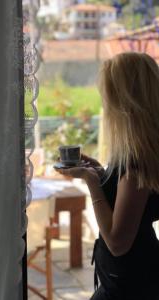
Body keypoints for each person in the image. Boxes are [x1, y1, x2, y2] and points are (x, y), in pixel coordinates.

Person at [55, 52, 159, 300]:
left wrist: (92, 183)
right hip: (132, 278)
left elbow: (117, 242)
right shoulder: (142, 153)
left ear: (126, 103)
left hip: (130, 285)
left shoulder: (136, 165)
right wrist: (103, 173)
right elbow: (131, 200)